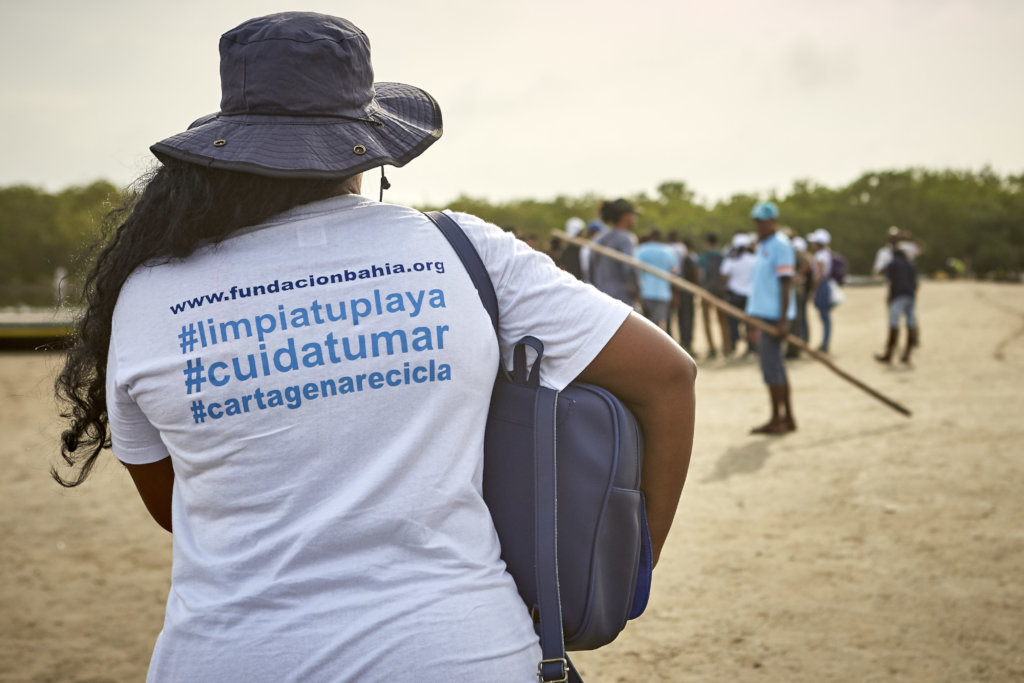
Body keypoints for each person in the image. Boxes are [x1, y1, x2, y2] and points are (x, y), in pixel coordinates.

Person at [51, 13, 697, 682]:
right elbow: (667, 376)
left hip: (229, 658)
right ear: (367, 147)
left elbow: (176, 506)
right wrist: (624, 572)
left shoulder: (149, 291)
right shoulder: (463, 251)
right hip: (463, 654)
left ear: (225, 146)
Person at [745, 201, 797, 434]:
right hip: (763, 315)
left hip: (774, 318)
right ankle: (787, 417)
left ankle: (779, 418)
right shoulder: (762, 246)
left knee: (772, 369)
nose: (758, 225)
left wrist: (783, 320)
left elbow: (786, 284)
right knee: (775, 368)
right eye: (756, 221)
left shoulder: (780, 245)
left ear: (773, 222)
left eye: (762, 222)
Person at [590, 198, 641, 306]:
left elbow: (591, 267)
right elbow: (629, 270)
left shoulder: (599, 238)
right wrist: (636, 292)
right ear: (626, 216)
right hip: (621, 299)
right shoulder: (626, 239)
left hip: (600, 296)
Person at [875, 244, 919, 364]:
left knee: (894, 324)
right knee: (910, 324)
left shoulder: (893, 264)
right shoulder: (911, 264)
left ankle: (889, 354)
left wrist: (889, 297)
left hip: (898, 296)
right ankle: (907, 354)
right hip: (910, 296)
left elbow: (890, 282)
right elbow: (916, 283)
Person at [720, 232, 757, 357]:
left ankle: (733, 347)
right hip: (750, 295)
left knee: (733, 322)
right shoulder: (753, 259)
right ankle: (751, 349)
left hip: (734, 294)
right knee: (749, 323)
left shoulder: (731, 259)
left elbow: (724, 275)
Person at [634, 229, 680, 331]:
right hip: (663, 293)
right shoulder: (669, 251)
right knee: (659, 325)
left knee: (645, 324)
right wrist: (675, 293)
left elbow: (634, 270)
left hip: (645, 291)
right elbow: (675, 272)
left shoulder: (641, 250)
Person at [697, 232, 731, 358]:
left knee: (707, 321)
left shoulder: (703, 257)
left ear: (707, 243)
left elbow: (699, 274)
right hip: (720, 291)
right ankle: (726, 347)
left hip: (706, 291)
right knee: (723, 320)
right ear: (716, 243)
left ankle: (712, 348)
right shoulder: (722, 257)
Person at [808, 228, 836, 353]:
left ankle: (825, 343)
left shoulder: (820, 255)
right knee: (825, 317)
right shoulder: (825, 254)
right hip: (824, 285)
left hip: (822, 286)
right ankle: (825, 342)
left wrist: (813, 290)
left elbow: (818, 275)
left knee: (824, 316)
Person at [785, 234, 812, 359]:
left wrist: (797, 276)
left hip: (794, 290)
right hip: (784, 291)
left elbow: (806, 264)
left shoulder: (792, 250)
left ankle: (797, 348)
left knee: (796, 319)